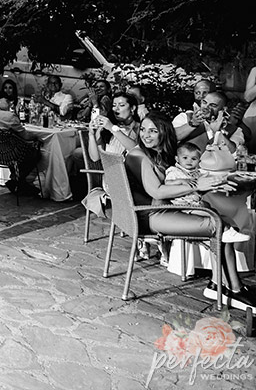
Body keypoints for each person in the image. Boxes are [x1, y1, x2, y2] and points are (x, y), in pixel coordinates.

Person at [90, 114, 256, 311]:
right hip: (148, 215)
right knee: (218, 224)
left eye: (152, 131)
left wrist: (210, 179)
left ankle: (220, 284)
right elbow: (157, 192)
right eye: (143, 130)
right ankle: (233, 289)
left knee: (219, 217)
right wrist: (196, 185)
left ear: (164, 133)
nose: (145, 135)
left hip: (158, 210)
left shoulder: (158, 152)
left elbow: (188, 164)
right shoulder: (139, 156)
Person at [0, 98, 42, 193]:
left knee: (13, 148)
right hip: (10, 154)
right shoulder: (9, 116)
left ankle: (17, 180)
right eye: (7, 101)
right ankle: (17, 180)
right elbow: (26, 136)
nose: (10, 104)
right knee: (35, 153)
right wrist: (37, 137)